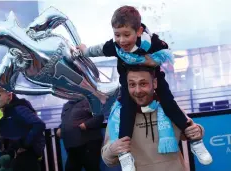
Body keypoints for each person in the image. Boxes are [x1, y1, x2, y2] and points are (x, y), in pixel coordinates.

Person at [77, 5, 212, 169]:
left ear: (139, 31)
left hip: (156, 75)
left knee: (170, 104)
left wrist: (197, 132)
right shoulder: (117, 115)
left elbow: (189, 127)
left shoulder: (151, 43)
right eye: (117, 35)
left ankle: (196, 144)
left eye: (127, 34)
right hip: (126, 97)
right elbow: (97, 50)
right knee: (127, 109)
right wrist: (83, 51)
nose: (122, 40)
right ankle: (125, 155)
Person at [102, 66, 206, 171]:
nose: (137, 90)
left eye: (143, 84)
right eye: (132, 84)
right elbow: (108, 160)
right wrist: (112, 150)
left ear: (155, 83)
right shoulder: (118, 116)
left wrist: (198, 130)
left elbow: (189, 131)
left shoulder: (169, 108)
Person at [0, 85, 46, 171]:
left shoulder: (19, 109)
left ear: (9, 95)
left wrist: (24, 144)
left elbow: (39, 124)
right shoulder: (5, 117)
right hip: (15, 160)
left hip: (27, 159)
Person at [56, 98, 104, 171]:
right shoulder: (67, 105)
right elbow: (66, 120)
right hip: (72, 147)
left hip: (88, 144)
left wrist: (86, 124)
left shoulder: (90, 101)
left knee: (92, 168)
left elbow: (99, 117)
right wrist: (60, 128)